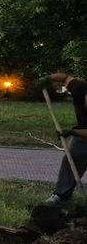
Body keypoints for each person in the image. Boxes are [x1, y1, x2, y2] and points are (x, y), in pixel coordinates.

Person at [40, 72, 87, 205]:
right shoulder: (79, 89)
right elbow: (65, 78)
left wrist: (73, 132)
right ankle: (61, 195)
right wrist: (48, 78)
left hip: (82, 133)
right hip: (82, 138)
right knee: (71, 160)